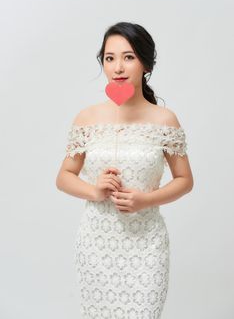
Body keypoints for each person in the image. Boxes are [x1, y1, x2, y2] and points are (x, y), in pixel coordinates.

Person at [56, 21, 194, 318]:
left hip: (147, 246)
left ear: (145, 64)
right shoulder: (87, 118)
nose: (118, 66)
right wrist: (94, 189)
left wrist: (146, 199)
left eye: (128, 57)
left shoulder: (165, 120)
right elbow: (64, 176)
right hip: (96, 245)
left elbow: (184, 180)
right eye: (110, 58)